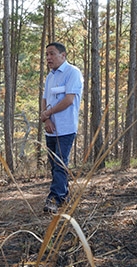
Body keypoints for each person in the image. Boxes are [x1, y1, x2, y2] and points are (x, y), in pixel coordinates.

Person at [40, 42, 84, 214]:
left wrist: (48, 113)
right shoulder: (49, 76)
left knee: (60, 163)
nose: (49, 58)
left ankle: (54, 198)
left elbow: (68, 100)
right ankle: (64, 195)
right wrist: (46, 118)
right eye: (47, 55)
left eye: (52, 54)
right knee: (54, 164)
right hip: (50, 128)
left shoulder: (72, 73)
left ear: (63, 55)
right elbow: (45, 98)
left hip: (65, 128)